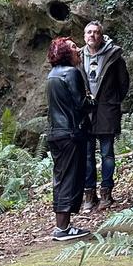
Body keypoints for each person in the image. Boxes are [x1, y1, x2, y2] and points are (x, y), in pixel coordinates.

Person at [45, 36, 92, 241]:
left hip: (57, 133)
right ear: (65, 52)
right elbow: (80, 104)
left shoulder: (51, 75)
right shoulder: (71, 73)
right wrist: (92, 100)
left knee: (62, 177)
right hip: (71, 133)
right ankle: (62, 228)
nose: (79, 50)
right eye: (74, 48)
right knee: (70, 179)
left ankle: (64, 226)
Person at [80, 20, 130, 211]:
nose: (92, 35)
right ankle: (89, 194)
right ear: (84, 36)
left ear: (101, 36)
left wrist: (113, 100)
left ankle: (106, 192)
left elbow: (123, 83)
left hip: (107, 111)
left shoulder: (113, 56)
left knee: (107, 153)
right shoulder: (78, 56)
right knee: (87, 155)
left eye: (96, 33)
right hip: (86, 113)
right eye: (89, 32)